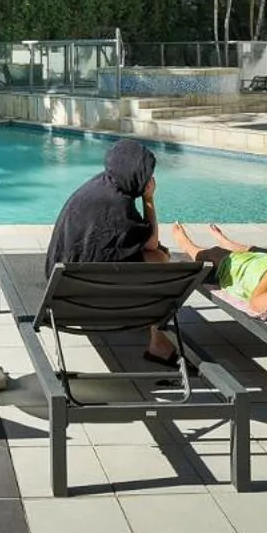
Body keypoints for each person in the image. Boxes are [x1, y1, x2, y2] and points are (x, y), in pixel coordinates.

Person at [46, 138, 188, 366]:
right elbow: (152, 243)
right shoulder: (119, 207)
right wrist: (149, 199)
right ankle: (157, 342)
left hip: (64, 292)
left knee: (145, 256)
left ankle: (154, 334)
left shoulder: (96, 187)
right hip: (100, 301)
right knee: (159, 259)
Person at [169, 219, 267, 318]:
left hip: (249, 274)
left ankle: (187, 246)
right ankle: (227, 243)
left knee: (217, 254)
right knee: (266, 253)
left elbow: (256, 304)